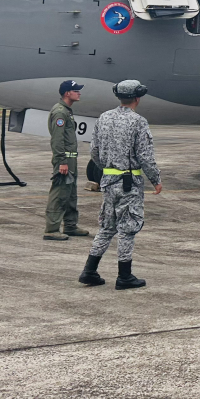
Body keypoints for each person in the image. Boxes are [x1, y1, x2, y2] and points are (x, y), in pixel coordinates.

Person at [78, 80, 162, 290]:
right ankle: (124, 276)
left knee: (106, 227)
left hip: (108, 181)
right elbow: (145, 155)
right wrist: (156, 179)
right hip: (129, 183)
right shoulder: (138, 121)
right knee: (127, 229)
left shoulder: (104, 118)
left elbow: (94, 151)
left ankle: (89, 271)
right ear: (137, 98)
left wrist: (107, 168)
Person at [44, 80, 89, 240]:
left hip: (70, 159)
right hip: (64, 160)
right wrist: (61, 160)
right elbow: (57, 140)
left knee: (70, 194)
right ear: (67, 93)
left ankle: (70, 225)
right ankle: (51, 229)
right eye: (76, 90)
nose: (79, 93)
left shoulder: (67, 111)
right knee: (60, 193)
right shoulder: (60, 112)